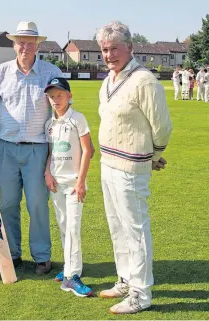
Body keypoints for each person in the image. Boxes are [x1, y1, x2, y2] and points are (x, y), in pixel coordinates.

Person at [96, 21, 172, 314]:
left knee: (136, 228)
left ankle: (141, 293)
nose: (109, 54)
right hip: (108, 162)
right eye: (104, 49)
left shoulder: (145, 81)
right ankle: (126, 279)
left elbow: (162, 127)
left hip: (131, 166)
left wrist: (153, 155)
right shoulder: (108, 80)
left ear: (130, 47)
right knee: (117, 227)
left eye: (114, 48)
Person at [0, 21, 63, 275]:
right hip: (5, 147)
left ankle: (41, 256)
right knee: (8, 204)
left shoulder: (50, 72)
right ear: (13, 44)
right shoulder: (2, 72)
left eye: (30, 42)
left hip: (37, 149)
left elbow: (61, 111)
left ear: (37, 44)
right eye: (21, 42)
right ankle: (13, 254)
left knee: (37, 203)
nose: (25, 47)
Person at [43, 77, 94, 297]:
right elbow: (51, 152)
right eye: (52, 96)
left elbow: (88, 150)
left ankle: (71, 277)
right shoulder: (50, 123)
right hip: (56, 182)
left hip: (74, 184)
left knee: (73, 228)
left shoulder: (78, 119)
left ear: (69, 96)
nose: (56, 100)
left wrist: (81, 181)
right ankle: (68, 266)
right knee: (64, 226)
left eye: (60, 95)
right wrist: (47, 173)